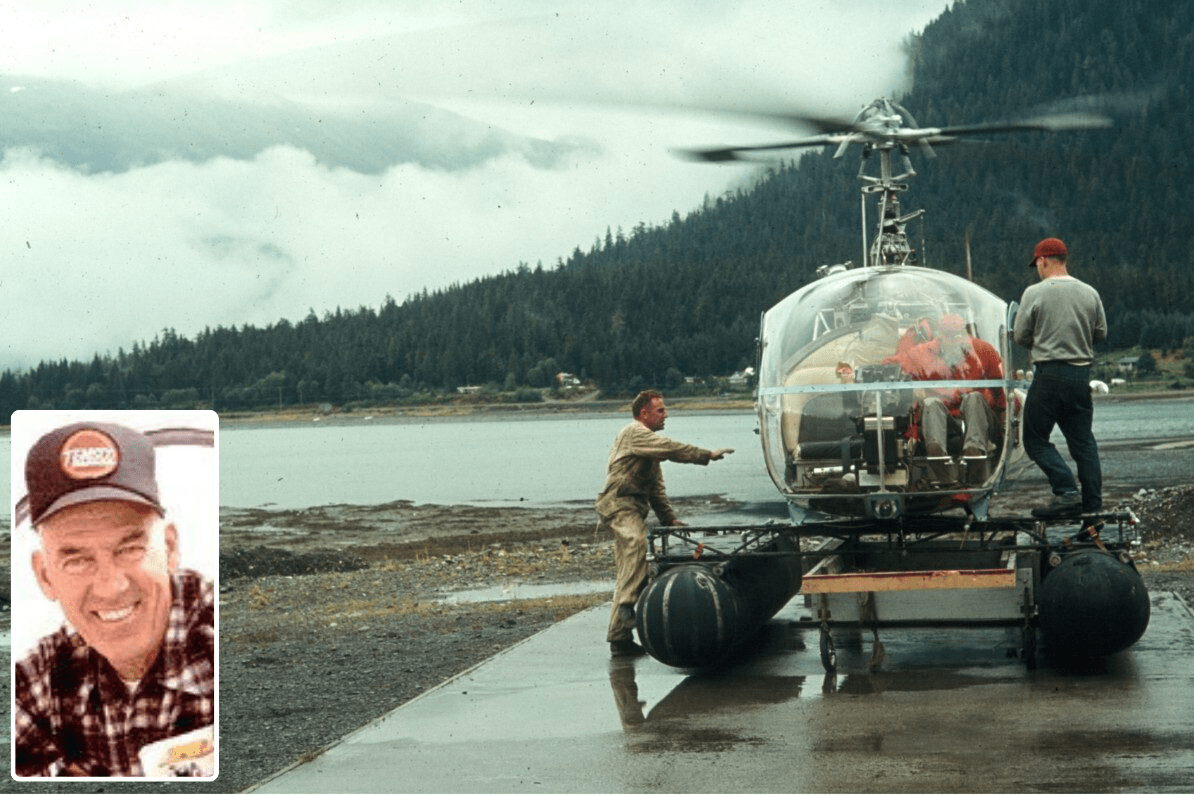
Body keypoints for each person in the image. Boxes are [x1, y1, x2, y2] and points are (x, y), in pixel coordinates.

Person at [13, 420, 215, 778]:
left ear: (170, 548)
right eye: (77, 560)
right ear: (44, 575)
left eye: (129, 548)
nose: (111, 587)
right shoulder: (33, 685)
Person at [596, 391, 733, 656]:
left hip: (632, 509)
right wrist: (707, 454)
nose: (666, 414)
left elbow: (656, 491)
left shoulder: (650, 452)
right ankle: (627, 611)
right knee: (638, 545)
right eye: (660, 410)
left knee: (629, 569)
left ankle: (619, 638)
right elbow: (672, 449)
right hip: (618, 505)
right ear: (644, 414)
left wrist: (670, 519)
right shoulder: (634, 433)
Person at [1013, 237, 1107, 519]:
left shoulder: (1034, 292)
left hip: (1049, 376)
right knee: (1083, 444)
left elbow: (1020, 336)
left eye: (1037, 265)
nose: (1037, 271)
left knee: (1034, 439)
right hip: (1080, 377)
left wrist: (1044, 338)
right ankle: (1092, 511)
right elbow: (1101, 333)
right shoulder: (1090, 292)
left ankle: (1066, 491)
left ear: (1043, 261)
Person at [885, 313, 1004, 485]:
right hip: (946, 421)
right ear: (939, 337)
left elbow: (1001, 386)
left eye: (957, 337)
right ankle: (936, 454)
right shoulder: (922, 353)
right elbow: (895, 363)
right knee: (931, 403)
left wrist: (1006, 415)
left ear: (965, 335)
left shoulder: (983, 350)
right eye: (949, 338)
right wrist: (859, 370)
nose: (953, 342)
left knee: (974, 398)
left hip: (980, 419)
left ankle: (975, 451)